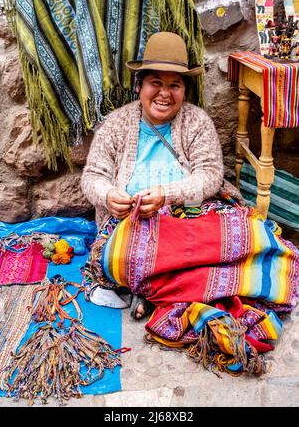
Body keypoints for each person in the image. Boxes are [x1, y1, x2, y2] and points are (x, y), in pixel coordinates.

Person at [81, 32, 298, 375]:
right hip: (134, 225)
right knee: (127, 251)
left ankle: (152, 291)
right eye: (155, 83)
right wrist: (108, 195)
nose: (165, 94)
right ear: (139, 86)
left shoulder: (197, 122)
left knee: (251, 234)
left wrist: (168, 196)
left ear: (185, 90)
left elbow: (210, 177)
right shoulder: (117, 124)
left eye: (175, 85)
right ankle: (176, 288)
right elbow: (92, 176)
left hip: (192, 216)